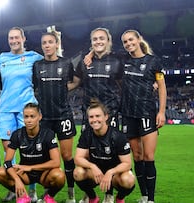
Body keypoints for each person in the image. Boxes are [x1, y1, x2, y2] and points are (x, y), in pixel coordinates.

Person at [73, 28, 123, 203]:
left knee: (113, 154)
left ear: (108, 40)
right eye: (95, 39)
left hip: (111, 114)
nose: (98, 41)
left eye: (101, 38)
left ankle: (109, 193)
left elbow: (124, 85)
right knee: (86, 153)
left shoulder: (117, 61)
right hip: (90, 116)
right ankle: (89, 194)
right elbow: (75, 83)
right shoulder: (84, 62)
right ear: (91, 42)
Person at [0, 26, 43, 202]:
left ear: (23, 39)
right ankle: (15, 187)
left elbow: (53, 60)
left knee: (28, 149)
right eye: (10, 38)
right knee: (8, 149)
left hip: (27, 109)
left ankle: (32, 189)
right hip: (6, 108)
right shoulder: (2, 59)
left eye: (16, 37)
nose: (13, 41)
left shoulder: (34, 57)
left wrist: (57, 42)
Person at [120, 30, 167, 203]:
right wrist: (90, 53)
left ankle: (151, 199)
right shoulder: (123, 60)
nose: (128, 43)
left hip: (147, 112)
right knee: (137, 156)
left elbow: (161, 87)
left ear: (139, 39)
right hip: (128, 114)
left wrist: (161, 112)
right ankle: (144, 196)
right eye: (125, 42)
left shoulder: (153, 61)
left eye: (131, 39)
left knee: (148, 157)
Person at [32, 31, 77, 203]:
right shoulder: (37, 66)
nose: (47, 45)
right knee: (46, 158)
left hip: (63, 115)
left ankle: (71, 194)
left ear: (57, 44)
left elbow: (74, 81)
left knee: (66, 156)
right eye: (44, 42)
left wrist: (63, 91)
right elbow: (34, 87)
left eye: (50, 42)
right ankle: (48, 194)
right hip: (44, 118)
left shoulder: (66, 63)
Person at [0, 103, 65, 203]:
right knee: (0, 173)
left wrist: (31, 167)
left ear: (39, 117)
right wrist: (17, 180)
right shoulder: (17, 134)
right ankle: (23, 196)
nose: (29, 120)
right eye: (26, 117)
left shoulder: (48, 134)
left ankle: (48, 196)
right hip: (24, 174)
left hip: (44, 173)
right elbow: (7, 162)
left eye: (32, 116)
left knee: (59, 176)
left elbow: (56, 162)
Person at [74, 99, 135, 203]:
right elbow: (78, 158)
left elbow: (127, 163)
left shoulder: (118, 136)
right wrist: (92, 166)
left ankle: (120, 198)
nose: (94, 120)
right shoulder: (86, 135)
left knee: (129, 180)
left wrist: (111, 172)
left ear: (106, 117)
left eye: (98, 116)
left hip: (115, 175)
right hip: (96, 174)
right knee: (78, 172)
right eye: (91, 117)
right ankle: (93, 198)